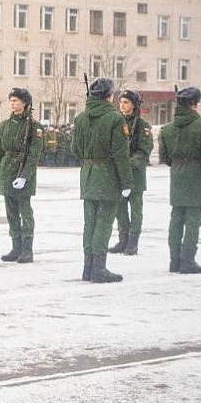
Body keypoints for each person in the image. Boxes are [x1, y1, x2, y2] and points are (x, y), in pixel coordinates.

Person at [71, 77, 132, 283]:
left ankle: (88, 267)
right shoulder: (115, 118)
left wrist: (90, 162)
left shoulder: (80, 118)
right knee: (104, 223)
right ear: (109, 95)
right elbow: (121, 154)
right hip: (107, 175)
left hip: (88, 174)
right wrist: (126, 183)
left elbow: (75, 149)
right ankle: (99, 268)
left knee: (90, 223)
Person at [158, 87, 201, 274]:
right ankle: (188, 260)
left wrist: (179, 165)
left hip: (177, 177)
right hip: (198, 178)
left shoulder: (167, 129)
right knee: (193, 222)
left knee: (176, 219)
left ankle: (174, 260)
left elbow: (165, 158)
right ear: (195, 103)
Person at [0, 88, 43, 264]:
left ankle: (27, 249)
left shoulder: (34, 126)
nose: (13, 103)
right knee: (11, 213)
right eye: (11, 100)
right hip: (7, 170)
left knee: (25, 212)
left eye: (16, 100)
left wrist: (24, 175)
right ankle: (15, 247)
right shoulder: (6, 125)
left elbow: (34, 154)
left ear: (25, 103)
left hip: (23, 171)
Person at [110, 90, 153, 256]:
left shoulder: (143, 126)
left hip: (135, 175)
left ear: (134, 105)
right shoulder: (115, 122)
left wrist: (128, 164)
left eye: (126, 102)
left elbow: (144, 150)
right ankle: (123, 239)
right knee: (120, 209)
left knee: (135, 210)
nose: (122, 105)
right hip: (118, 174)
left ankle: (133, 242)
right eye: (121, 102)